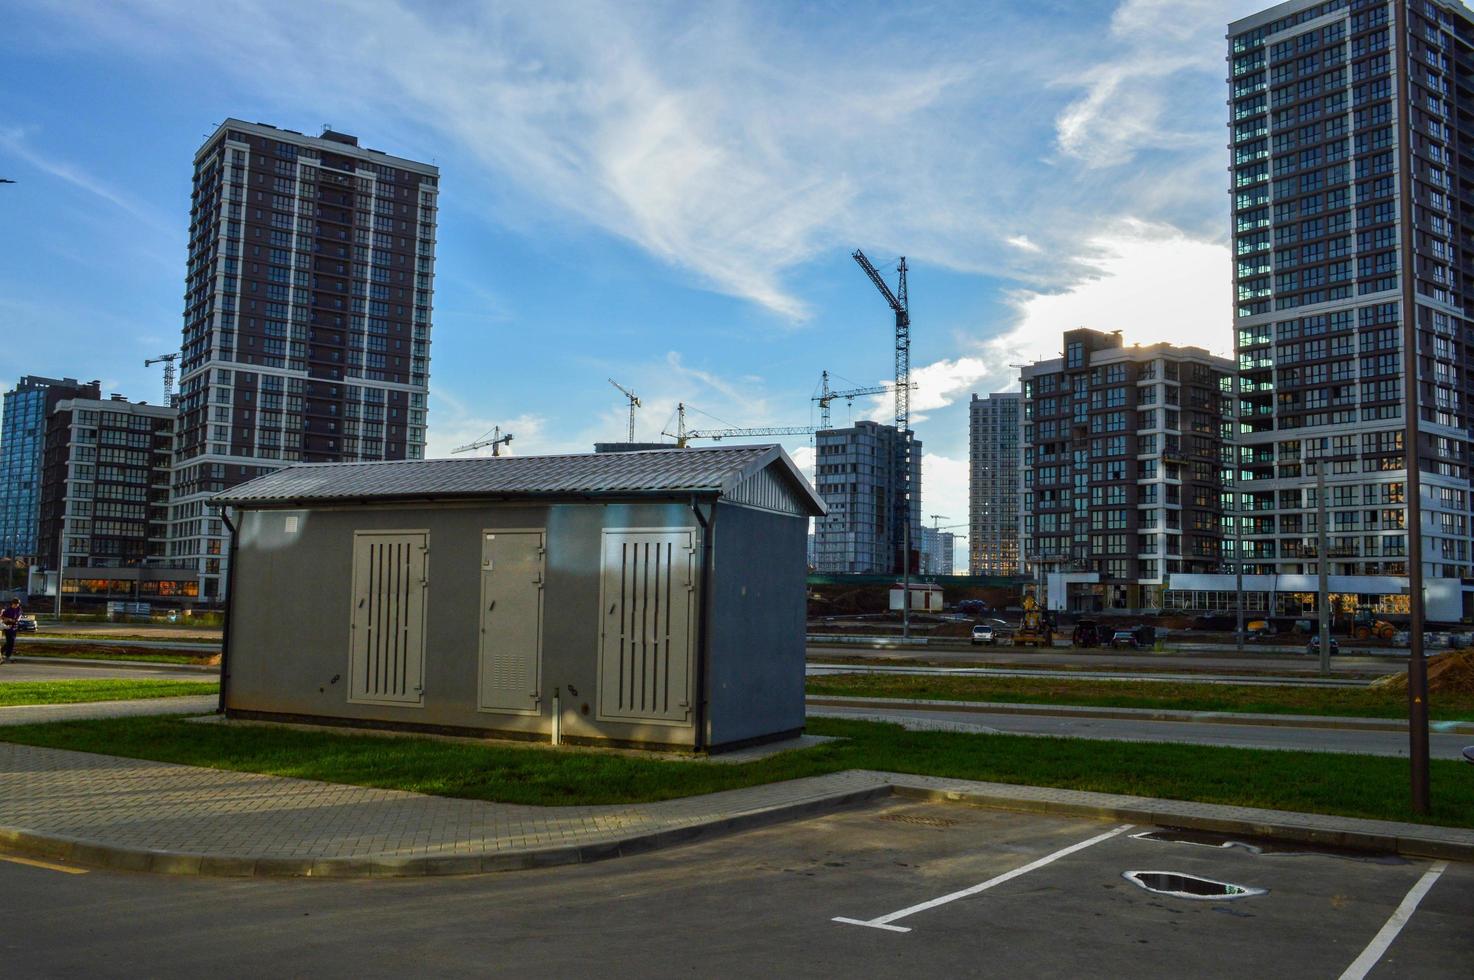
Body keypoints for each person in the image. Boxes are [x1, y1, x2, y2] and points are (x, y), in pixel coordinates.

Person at [1, 597, 21, 663]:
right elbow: (2, 617)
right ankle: (7, 656)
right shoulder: (8, 610)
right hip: (8, 627)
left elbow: (19, 615)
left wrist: (18, 619)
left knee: (10, 642)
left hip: (14, 627)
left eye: (17, 604)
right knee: (11, 642)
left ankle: (1, 652)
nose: (16, 605)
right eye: (15, 604)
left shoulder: (18, 609)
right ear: (12, 604)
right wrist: (8, 619)